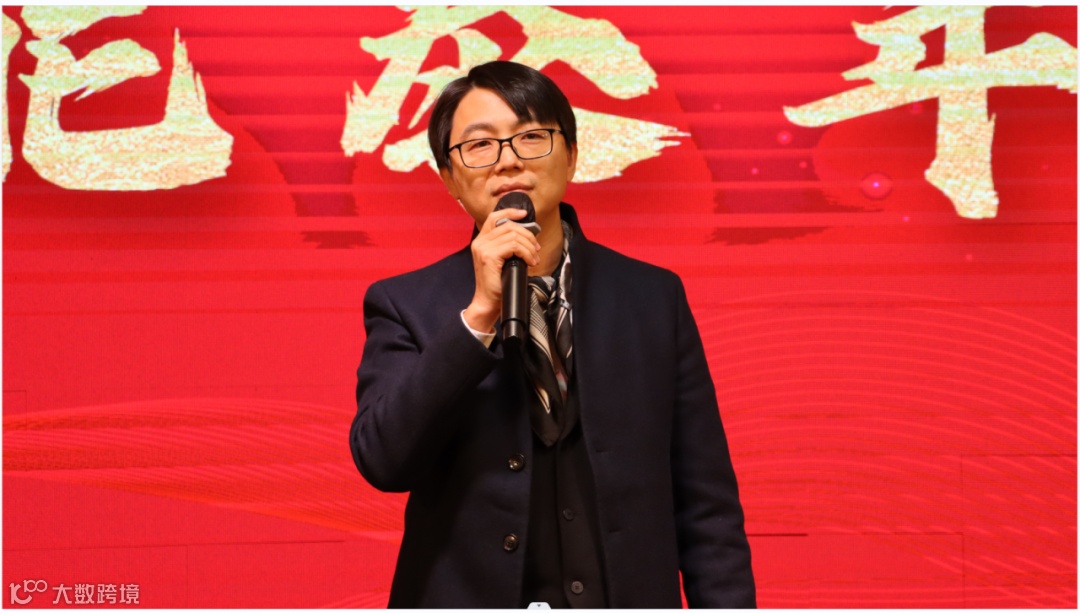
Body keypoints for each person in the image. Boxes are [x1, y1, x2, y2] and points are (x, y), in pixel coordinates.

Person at [350, 60, 755, 608]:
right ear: (448, 177)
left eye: (531, 137)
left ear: (572, 154)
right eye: (480, 145)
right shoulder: (406, 304)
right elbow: (383, 460)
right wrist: (479, 316)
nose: (508, 160)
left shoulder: (652, 298)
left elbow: (706, 503)